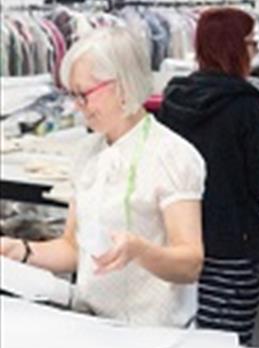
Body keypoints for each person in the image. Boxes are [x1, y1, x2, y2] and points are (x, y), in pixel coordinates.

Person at [0, 27, 205, 327]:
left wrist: (139, 250)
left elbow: (190, 263)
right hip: (95, 327)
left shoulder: (172, 155)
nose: (77, 106)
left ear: (122, 85)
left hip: (156, 334)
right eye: (74, 95)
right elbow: (72, 250)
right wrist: (20, 250)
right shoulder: (87, 154)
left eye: (83, 95)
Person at [159, 8, 259, 345]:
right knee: (231, 345)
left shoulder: (173, 98)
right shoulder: (246, 103)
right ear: (235, 47)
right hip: (233, 242)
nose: (255, 52)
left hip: (182, 238)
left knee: (190, 338)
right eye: (251, 43)